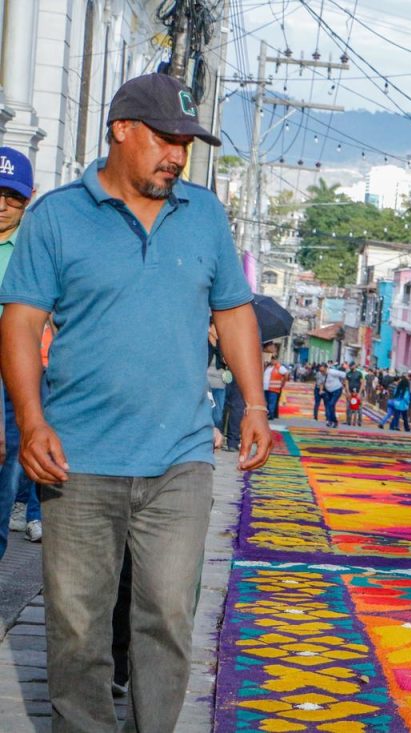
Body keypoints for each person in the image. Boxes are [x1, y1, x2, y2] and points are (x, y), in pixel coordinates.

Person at [0, 73, 273, 732]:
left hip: (179, 457)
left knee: (168, 617)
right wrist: (31, 421)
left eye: (185, 141)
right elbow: (19, 321)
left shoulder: (204, 213)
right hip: (79, 460)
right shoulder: (58, 216)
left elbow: (233, 311)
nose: (177, 155)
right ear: (122, 129)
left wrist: (255, 404)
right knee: (76, 628)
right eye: (165, 138)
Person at [0, 146, 39, 553]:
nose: (2, 206)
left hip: (14, 376)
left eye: (13, 197)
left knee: (5, 479)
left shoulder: (36, 249)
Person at [263, 354, 290, 419]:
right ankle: (268, 414)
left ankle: (271, 415)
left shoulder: (279, 367)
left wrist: (283, 382)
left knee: (272, 402)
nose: (272, 361)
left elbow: (286, 373)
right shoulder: (268, 367)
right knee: (267, 402)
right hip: (266, 388)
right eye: (272, 359)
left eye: (274, 359)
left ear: (277, 360)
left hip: (274, 388)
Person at [323, 363, 345, 428]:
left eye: (322, 370)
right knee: (330, 405)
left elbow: (343, 375)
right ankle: (331, 421)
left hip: (337, 390)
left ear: (326, 368)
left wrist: (343, 383)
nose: (321, 371)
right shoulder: (323, 374)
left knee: (331, 404)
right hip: (329, 391)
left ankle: (333, 421)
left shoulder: (332, 372)